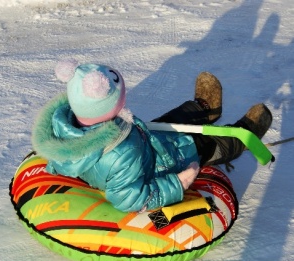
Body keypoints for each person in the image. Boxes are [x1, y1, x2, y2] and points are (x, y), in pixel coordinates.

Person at [32, 59, 272, 212]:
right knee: (202, 144)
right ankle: (244, 134)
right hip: (163, 164)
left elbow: (59, 162)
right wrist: (177, 183)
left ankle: (203, 109)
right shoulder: (121, 153)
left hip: (145, 141)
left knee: (166, 123)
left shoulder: (63, 129)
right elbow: (132, 198)